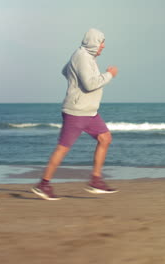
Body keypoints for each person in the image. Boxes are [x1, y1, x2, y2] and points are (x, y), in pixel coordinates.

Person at [31, 28, 119, 200]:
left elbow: (65, 70)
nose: (103, 46)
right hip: (76, 112)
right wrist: (109, 75)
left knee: (105, 138)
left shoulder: (86, 57)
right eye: (102, 42)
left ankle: (95, 180)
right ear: (94, 42)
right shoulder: (82, 57)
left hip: (90, 112)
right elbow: (89, 84)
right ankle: (43, 184)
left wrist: (73, 81)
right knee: (63, 148)